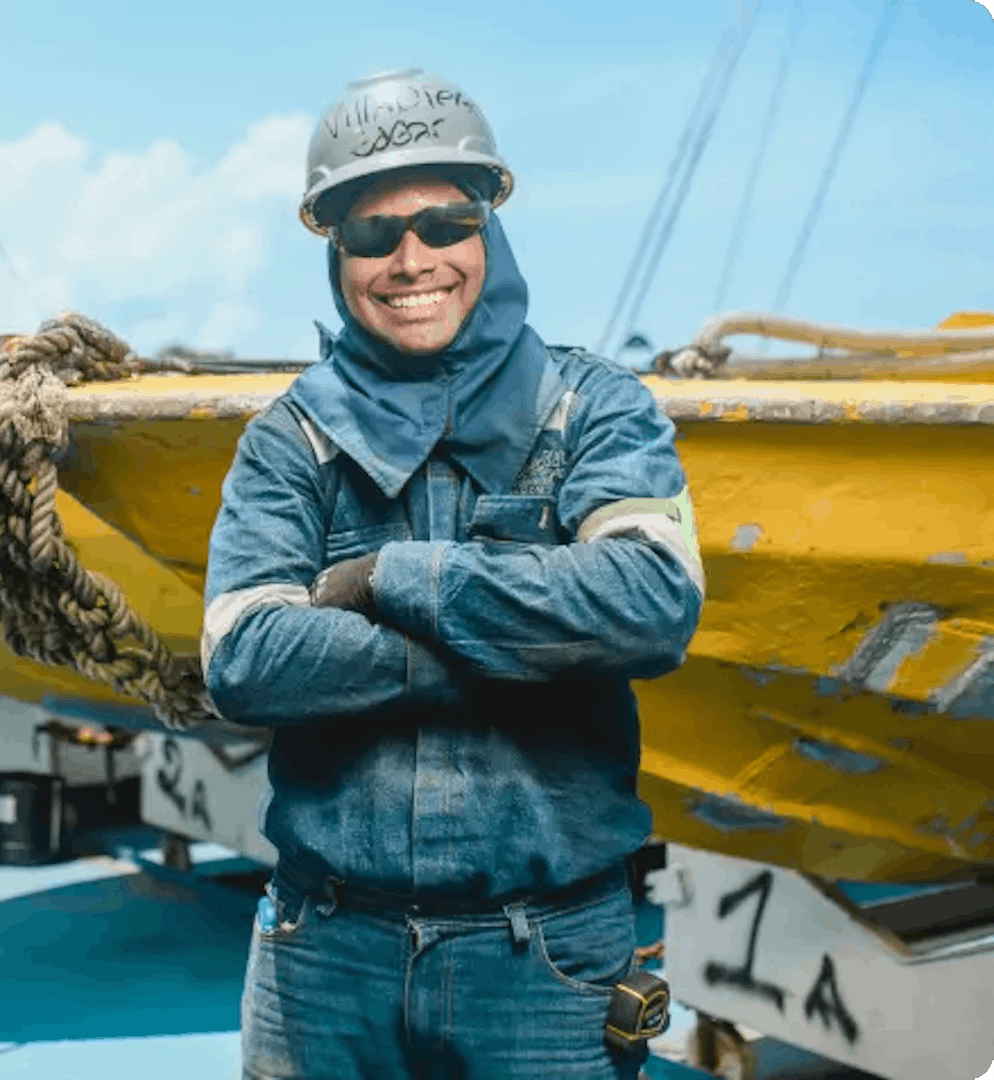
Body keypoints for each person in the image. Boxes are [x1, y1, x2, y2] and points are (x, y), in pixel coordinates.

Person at [202, 68, 704, 1080]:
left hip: (546, 962)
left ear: (489, 230)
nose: (412, 258)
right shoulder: (288, 440)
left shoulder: (595, 410)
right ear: (335, 253)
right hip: (322, 953)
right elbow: (247, 660)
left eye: (444, 220)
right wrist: (527, 642)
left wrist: (394, 574)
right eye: (373, 234)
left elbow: (652, 605)